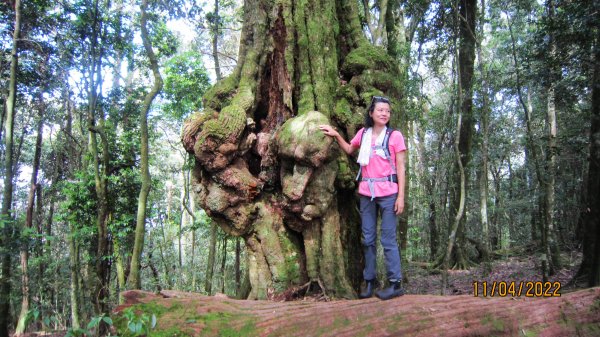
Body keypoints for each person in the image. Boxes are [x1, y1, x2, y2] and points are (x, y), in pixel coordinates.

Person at [319, 96, 406, 300]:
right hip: (367, 193)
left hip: (389, 193)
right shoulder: (363, 134)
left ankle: (395, 284)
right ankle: (369, 281)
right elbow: (350, 149)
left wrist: (401, 196)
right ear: (371, 113)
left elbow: (401, 166)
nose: (384, 113)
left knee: (388, 239)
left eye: (387, 111)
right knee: (367, 239)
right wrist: (335, 135)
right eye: (380, 110)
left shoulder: (395, 136)